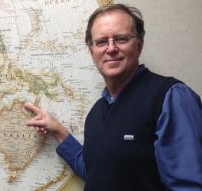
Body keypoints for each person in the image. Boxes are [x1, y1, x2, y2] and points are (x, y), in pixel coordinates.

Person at [25, 3, 202, 191]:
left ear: (139, 45)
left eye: (121, 39)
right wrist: (59, 131)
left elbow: (189, 186)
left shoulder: (170, 97)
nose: (111, 48)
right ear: (91, 51)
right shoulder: (96, 113)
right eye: (101, 42)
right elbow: (97, 172)